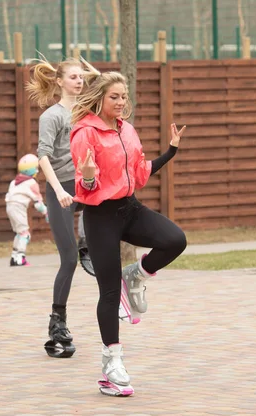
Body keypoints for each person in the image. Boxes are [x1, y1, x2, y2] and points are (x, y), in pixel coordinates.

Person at [70, 71, 188, 396]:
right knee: (108, 293)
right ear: (100, 99)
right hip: (100, 217)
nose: (121, 102)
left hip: (130, 209)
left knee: (175, 240)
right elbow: (85, 186)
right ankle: (112, 363)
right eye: (114, 97)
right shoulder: (85, 133)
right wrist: (91, 176)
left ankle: (135, 274)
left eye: (124, 97)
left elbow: (139, 172)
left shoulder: (128, 130)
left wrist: (171, 151)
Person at [26, 56, 100, 358]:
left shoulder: (87, 110)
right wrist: (58, 191)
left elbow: (107, 82)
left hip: (85, 185)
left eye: (81, 77)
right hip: (60, 189)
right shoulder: (51, 117)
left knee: (103, 210)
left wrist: (90, 71)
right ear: (59, 82)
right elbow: (42, 156)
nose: (79, 81)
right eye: (73, 77)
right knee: (68, 259)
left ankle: (88, 244)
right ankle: (58, 322)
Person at [4, 153, 48, 266]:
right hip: (18, 207)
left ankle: (14, 257)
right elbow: (38, 204)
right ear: (32, 170)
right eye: (36, 168)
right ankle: (20, 258)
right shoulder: (32, 183)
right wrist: (47, 212)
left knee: (19, 233)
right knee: (25, 234)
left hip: (10, 207)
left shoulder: (14, 182)